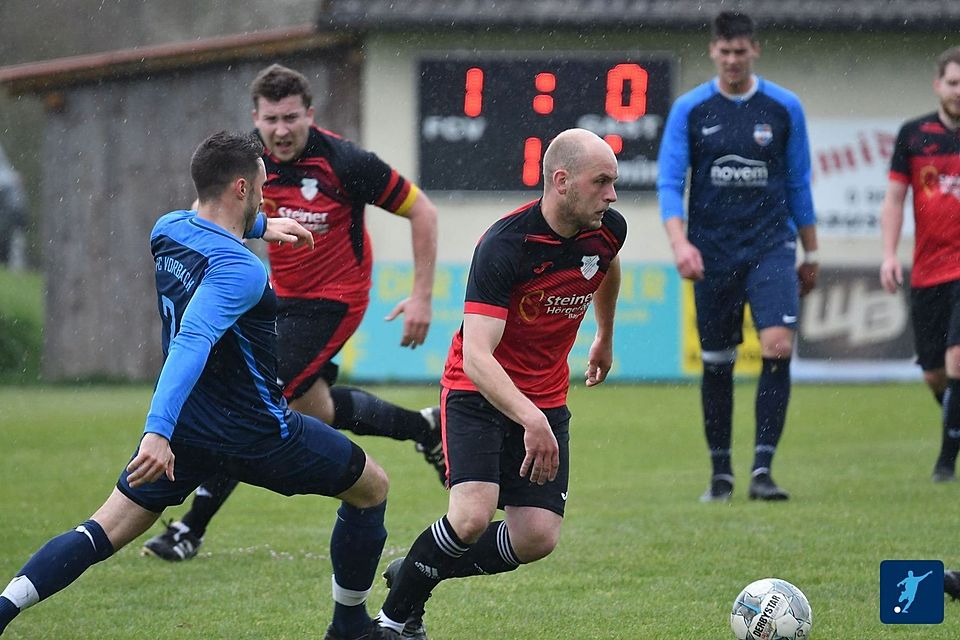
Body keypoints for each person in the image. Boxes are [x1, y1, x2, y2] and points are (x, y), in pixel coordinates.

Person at [0, 131, 389, 640]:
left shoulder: (168, 229)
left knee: (100, 531)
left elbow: (212, 223)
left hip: (189, 432)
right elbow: (192, 341)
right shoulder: (240, 270)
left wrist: (265, 225)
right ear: (242, 186)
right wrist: (154, 433)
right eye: (263, 186)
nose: (268, 191)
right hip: (256, 432)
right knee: (371, 488)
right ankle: (350, 626)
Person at [143, 63, 442, 562]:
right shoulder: (248, 167)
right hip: (282, 298)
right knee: (314, 407)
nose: (281, 131)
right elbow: (217, 218)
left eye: (290, 118)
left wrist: (422, 296)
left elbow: (422, 211)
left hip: (335, 299)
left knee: (251, 398)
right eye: (270, 120)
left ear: (309, 114)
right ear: (255, 118)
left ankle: (189, 529)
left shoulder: (346, 162)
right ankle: (424, 428)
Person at [368, 128, 626, 640]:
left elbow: (608, 267)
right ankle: (392, 622)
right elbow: (480, 358)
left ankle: (419, 569)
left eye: (613, 182)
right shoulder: (505, 245)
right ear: (561, 182)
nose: (612, 195)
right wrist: (529, 418)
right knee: (471, 517)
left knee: (537, 538)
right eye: (601, 182)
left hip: (546, 397)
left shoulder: (608, 228)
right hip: (476, 392)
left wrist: (604, 336)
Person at [657, 11, 819, 503]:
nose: (732, 60)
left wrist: (811, 250)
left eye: (740, 51)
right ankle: (721, 475)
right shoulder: (690, 109)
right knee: (718, 362)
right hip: (712, 253)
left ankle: (763, 471)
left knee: (777, 347)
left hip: (771, 246)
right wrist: (680, 243)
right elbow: (669, 182)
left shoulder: (783, 107)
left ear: (755, 50)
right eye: (724, 52)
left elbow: (798, 183)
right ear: (713, 52)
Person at [880, 46, 960, 483]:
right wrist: (890, 254)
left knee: (957, 358)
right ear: (938, 85)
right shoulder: (914, 135)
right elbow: (894, 199)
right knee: (934, 374)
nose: (959, 91)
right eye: (953, 82)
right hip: (928, 270)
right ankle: (955, 424)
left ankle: (945, 464)